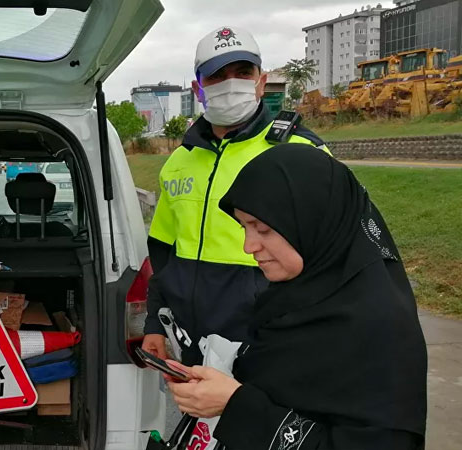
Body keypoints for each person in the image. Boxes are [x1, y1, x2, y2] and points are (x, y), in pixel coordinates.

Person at [167, 144, 427, 449]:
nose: (248, 247)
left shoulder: (380, 329)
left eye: (262, 229)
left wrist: (235, 404)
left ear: (312, 221)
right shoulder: (297, 295)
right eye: (244, 227)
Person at [143, 26, 329, 364]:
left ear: (261, 80)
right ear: (198, 88)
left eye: (243, 72)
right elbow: (163, 256)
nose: (231, 83)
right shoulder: (178, 162)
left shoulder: (301, 152)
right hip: (194, 348)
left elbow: (336, 258)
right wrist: (155, 321)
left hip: (273, 346)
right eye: (217, 75)